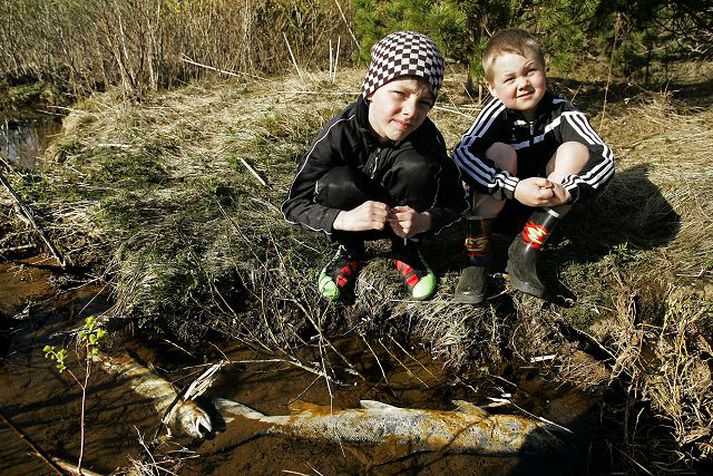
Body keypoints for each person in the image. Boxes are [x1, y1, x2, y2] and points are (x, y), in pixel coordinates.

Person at [282, 31, 468, 302]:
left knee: (418, 165)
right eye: (400, 94)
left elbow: (457, 202)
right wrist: (342, 220)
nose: (411, 111)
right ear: (371, 90)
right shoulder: (339, 133)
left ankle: (406, 250)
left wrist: (425, 221)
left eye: (424, 102)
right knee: (338, 181)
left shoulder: (428, 137)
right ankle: (349, 250)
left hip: (405, 224)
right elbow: (293, 204)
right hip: (351, 219)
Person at [451, 29, 615, 303]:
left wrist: (568, 190)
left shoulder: (563, 112)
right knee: (501, 152)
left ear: (544, 70)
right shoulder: (495, 112)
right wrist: (512, 188)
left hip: (543, 209)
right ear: (492, 87)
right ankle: (476, 256)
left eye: (530, 71)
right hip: (497, 207)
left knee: (574, 149)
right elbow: (463, 153)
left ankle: (525, 250)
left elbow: (604, 156)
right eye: (510, 78)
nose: (523, 83)